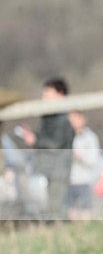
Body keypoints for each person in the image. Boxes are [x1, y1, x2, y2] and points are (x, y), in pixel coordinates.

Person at [20, 77, 74, 221]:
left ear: (60, 94)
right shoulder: (50, 116)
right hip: (50, 169)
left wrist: (35, 140)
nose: (43, 96)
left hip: (58, 170)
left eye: (47, 92)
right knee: (51, 210)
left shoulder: (62, 117)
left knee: (55, 209)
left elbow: (54, 144)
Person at [66, 111, 101, 220]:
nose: (72, 121)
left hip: (84, 181)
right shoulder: (65, 137)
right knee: (71, 213)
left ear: (83, 118)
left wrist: (80, 157)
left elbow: (94, 161)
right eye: (70, 118)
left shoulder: (90, 138)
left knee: (86, 212)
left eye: (75, 117)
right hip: (68, 180)